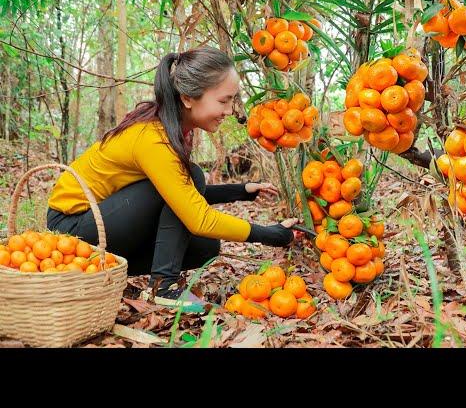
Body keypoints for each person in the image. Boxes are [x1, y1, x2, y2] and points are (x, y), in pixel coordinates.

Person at [46, 46, 297, 311]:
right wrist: (271, 235)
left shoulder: (170, 127)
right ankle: (162, 287)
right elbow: (195, 214)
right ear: (188, 98)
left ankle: (116, 274)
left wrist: (241, 190)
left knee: (204, 248)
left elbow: (176, 192)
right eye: (223, 101)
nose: (229, 110)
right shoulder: (153, 138)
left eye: (232, 100)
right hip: (71, 229)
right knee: (193, 177)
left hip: (103, 220)